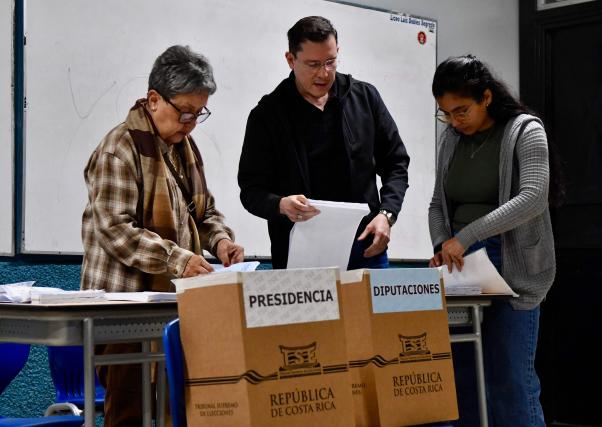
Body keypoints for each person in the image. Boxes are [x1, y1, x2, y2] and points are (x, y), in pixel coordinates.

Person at [81, 45, 244, 426]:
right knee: (130, 416)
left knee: (179, 413)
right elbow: (116, 229)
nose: (190, 123)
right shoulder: (119, 148)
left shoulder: (183, 147)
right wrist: (179, 259)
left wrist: (220, 241)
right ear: (154, 99)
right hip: (123, 309)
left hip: (173, 306)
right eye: (184, 112)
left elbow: (204, 211)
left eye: (198, 113)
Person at [428, 55, 556, 426]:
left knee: (510, 379)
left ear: (486, 97)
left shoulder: (525, 130)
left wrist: (465, 236)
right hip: (460, 265)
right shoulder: (451, 139)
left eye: (461, 110)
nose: (454, 121)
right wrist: (442, 243)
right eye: (446, 113)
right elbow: (438, 202)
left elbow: (532, 197)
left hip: (512, 264)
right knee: (462, 379)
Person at [238, 16, 409, 269]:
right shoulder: (268, 115)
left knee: (369, 311)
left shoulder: (365, 98)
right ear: (290, 60)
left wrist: (387, 214)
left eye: (330, 62)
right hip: (299, 254)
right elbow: (251, 191)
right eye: (313, 64)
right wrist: (280, 205)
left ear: (338, 51)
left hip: (365, 245)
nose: (324, 73)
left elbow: (396, 163)